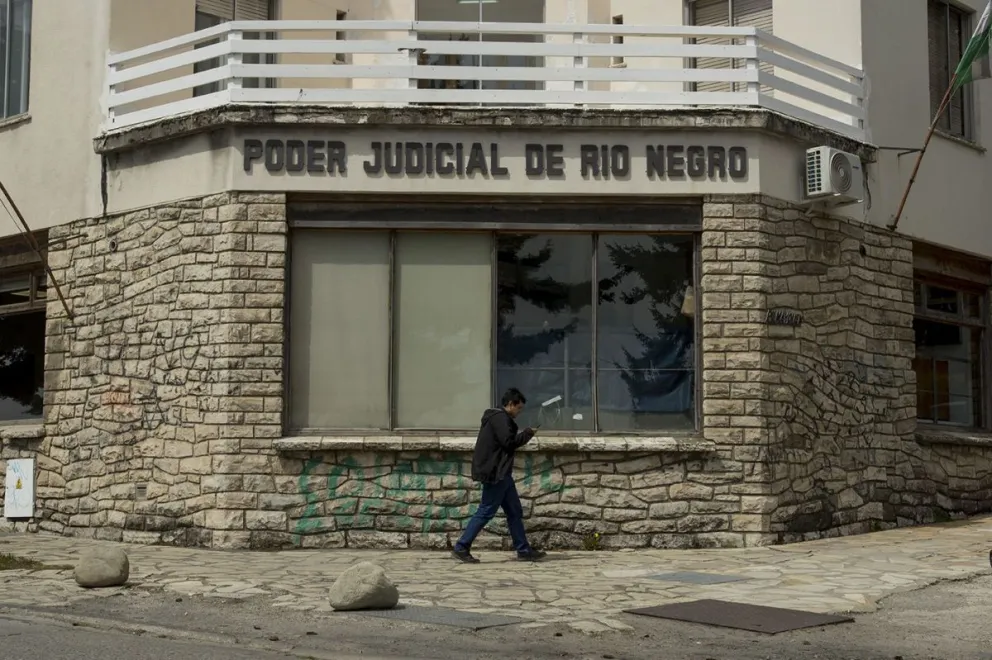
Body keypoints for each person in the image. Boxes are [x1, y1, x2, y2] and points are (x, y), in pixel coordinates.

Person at [452, 388, 547, 563]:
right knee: (486, 510)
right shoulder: (500, 419)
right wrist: (527, 434)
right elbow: (508, 442)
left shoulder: (497, 418)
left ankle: (523, 550)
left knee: (514, 511)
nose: (519, 412)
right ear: (510, 404)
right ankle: (461, 546)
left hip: (502, 473)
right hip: (496, 473)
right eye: (518, 408)